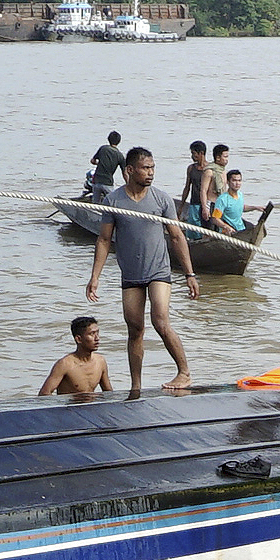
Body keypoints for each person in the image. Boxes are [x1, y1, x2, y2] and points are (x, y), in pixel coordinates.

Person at [86, 147, 199, 392]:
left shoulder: (161, 199)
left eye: (153, 167)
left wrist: (190, 274)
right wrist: (95, 277)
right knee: (135, 328)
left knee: (160, 320)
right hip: (131, 275)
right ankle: (135, 386)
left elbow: (177, 237)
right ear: (130, 170)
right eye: (146, 168)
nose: (151, 173)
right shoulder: (114, 201)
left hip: (159, 271)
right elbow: (104, 240)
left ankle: (184, 372)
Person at [38, 316, 112, 396]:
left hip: (91, 406)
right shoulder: (65, 364)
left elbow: (108, 393)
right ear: (78, 339)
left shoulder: (100, 361)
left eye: (97, 333)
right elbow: (44, 394)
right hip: (70, 407)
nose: (97, 338)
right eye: (92, 334)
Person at [208, 167, 269, 234]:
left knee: (257, 229)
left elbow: (241, 207)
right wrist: (226, 227)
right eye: (234, 180)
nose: (237, 183)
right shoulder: (222, 199)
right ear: (228, 182)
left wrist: (255, 208)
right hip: (230, 231)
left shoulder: (240, 195)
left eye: (239, 180)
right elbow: (215, 218)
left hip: (240, 227)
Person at [180, 141, 214, 226]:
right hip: (194, 203)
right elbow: (187, 187)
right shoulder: (191, 168)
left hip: (208, 204)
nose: (192, 156)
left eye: (194, 153)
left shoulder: (211, 169)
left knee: (208, 228)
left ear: (201, 153)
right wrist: (181, 206)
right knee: (194, 229)